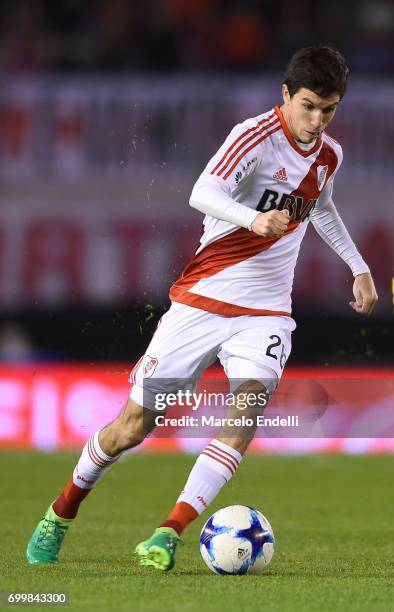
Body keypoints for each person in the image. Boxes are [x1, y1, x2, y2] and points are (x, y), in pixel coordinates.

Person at [26, 46, 378, 570]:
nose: (316, 120)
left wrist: (358, 265)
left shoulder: (329, 155)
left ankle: (169, 532)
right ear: (285, 95)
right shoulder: (253, 137)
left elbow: (320, 205)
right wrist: (252, 219)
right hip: (202, 303)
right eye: (308, 106)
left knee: (246, 411)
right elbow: (203, 191)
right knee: (132, 426)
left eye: (329, 109)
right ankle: (61, 511)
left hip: (265, 314)